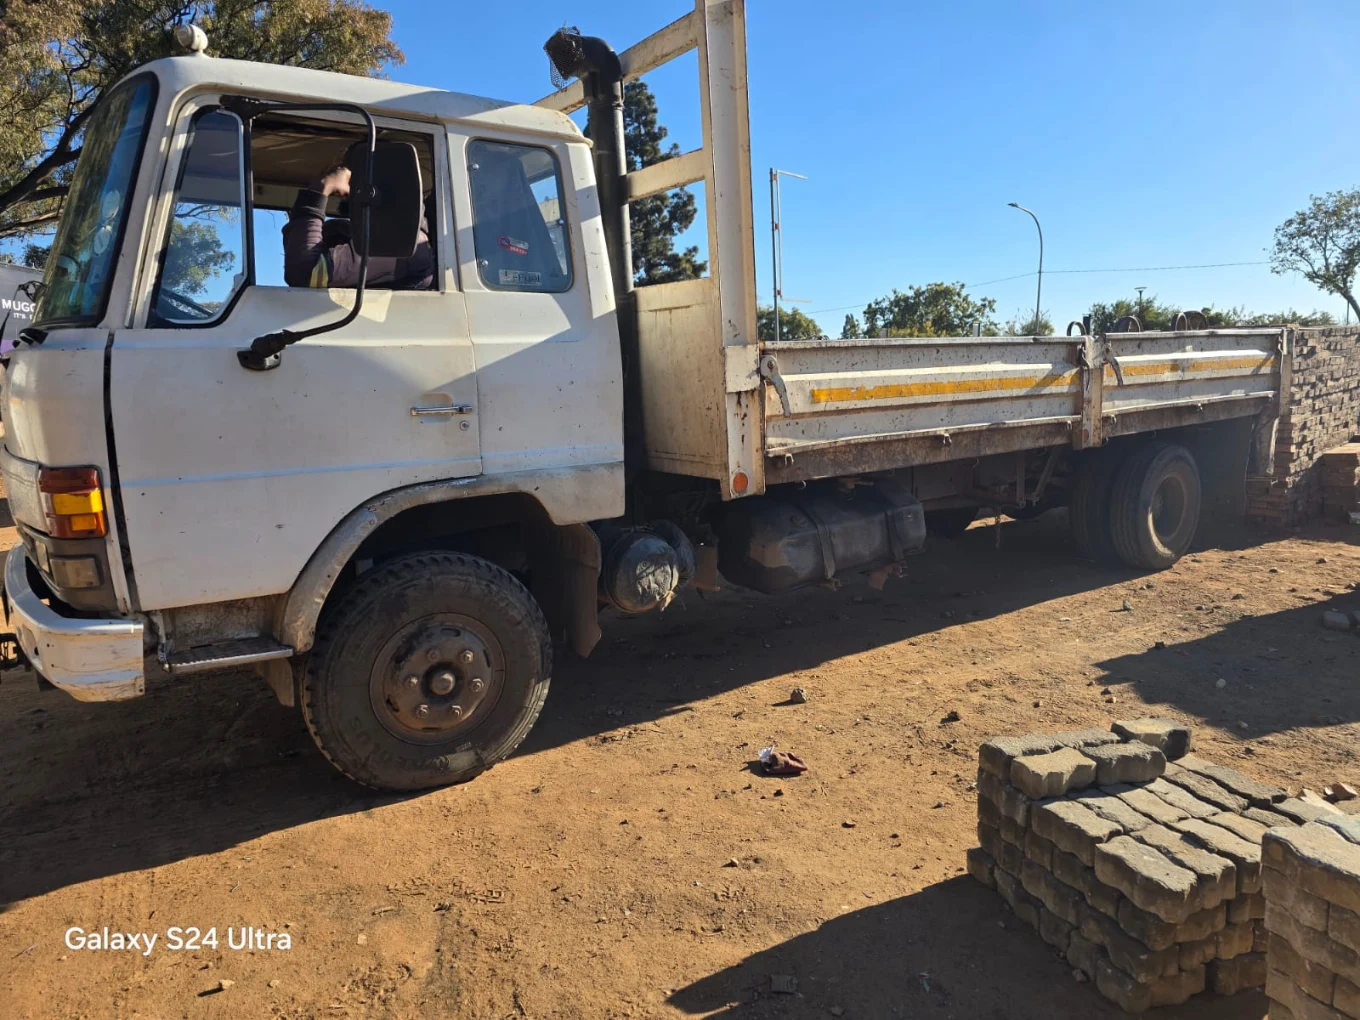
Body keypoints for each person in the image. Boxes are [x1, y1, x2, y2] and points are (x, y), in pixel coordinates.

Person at [283, 148, 434, 291]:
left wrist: (320, 189)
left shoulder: (400, 244)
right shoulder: (345, 233)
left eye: (355, 177)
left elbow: (305, 273)